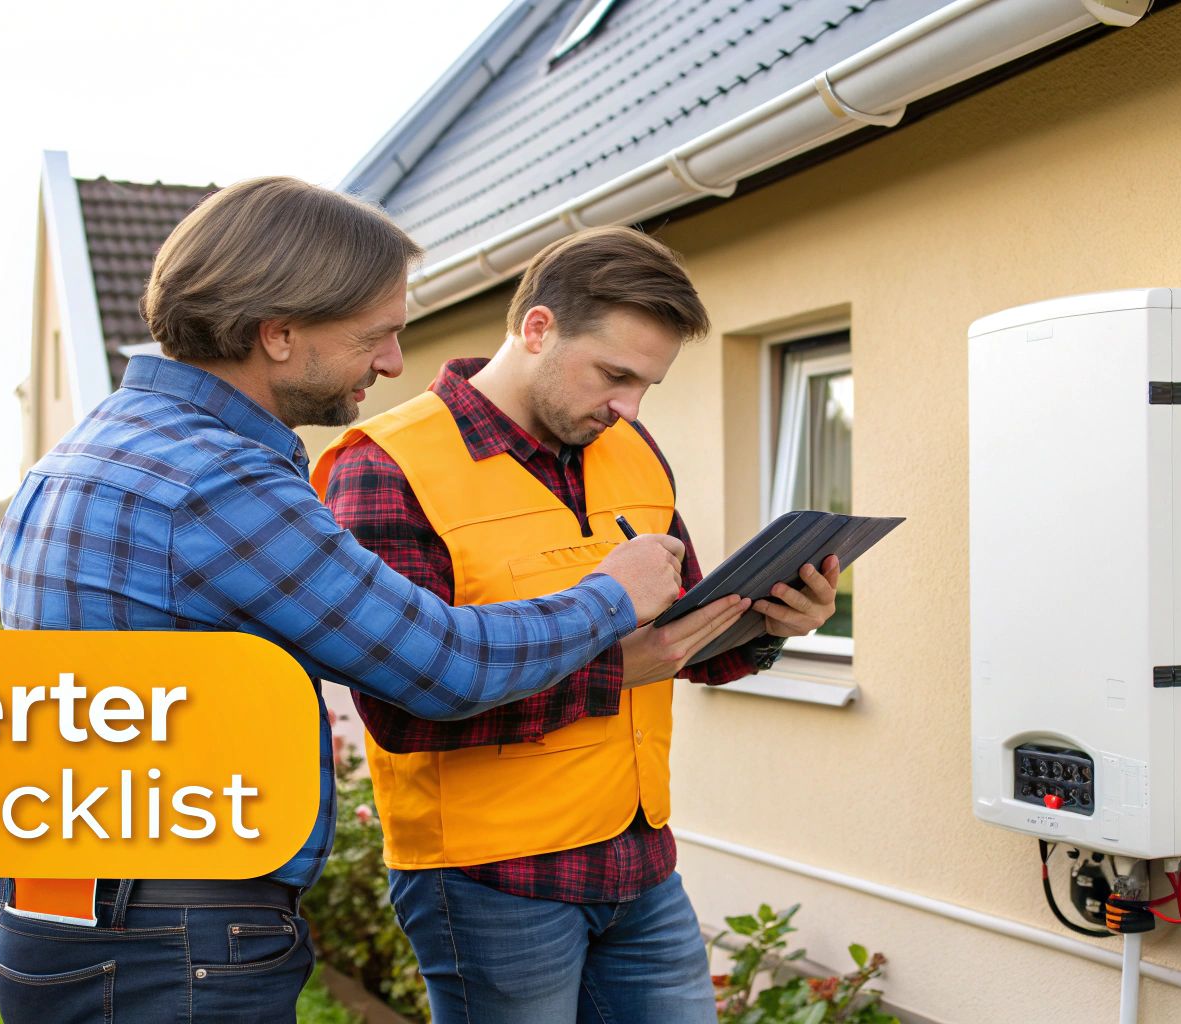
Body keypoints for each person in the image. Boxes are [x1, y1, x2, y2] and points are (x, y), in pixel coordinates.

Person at [0, 179, 687, 1024]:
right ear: (278, 334)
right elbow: (441, 666)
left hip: (55, 906)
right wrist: (611, 595)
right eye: (376, 335)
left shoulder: (86, 449)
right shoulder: (221, 480)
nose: (391, 363)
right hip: (172, 931)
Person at [312, 226, 843, 1023]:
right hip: (489, 881)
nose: (627, 407)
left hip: (639, 862)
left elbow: (678, 636)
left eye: (646, 388)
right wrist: (612, 672)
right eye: (615, 375)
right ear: (537, 329)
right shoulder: (386, 465)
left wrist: (771, 621)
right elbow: (400, 708)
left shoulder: (629, 449)